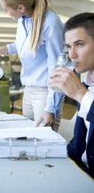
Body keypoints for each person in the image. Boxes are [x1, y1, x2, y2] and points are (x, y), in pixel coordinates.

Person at [0, 0, 64, 131]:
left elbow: (58, 69)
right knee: (28, 142)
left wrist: (51, 107)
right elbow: (28, 45)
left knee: (43, 146)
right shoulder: (24, 20)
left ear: (21, 7)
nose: (4, 12)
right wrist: (3, 50)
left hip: (45, 93)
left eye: (6, 9)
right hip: (28, 90)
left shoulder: (50, 24)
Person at [48, 12, 94, 178]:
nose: (72, 54)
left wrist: (81, 95)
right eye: (68, 47)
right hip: (80, 172)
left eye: (79, 44)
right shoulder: (87, 85)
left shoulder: (83, 91)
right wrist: (44, 153)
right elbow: (77, 146)